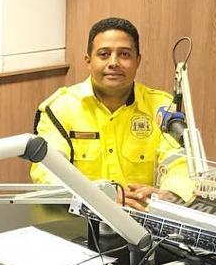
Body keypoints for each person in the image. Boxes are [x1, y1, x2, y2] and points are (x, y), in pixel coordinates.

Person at [30, 17, 193, 210]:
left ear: (137, 61)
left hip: (145, 218)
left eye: (124, 54)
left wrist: (169, 196)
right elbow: (48, 174)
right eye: (104, 54)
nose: (114, 62)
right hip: (81, 219)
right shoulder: (59, 108)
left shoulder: (163, 109)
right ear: (88, 61)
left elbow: (181, 164)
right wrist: (98, 199)